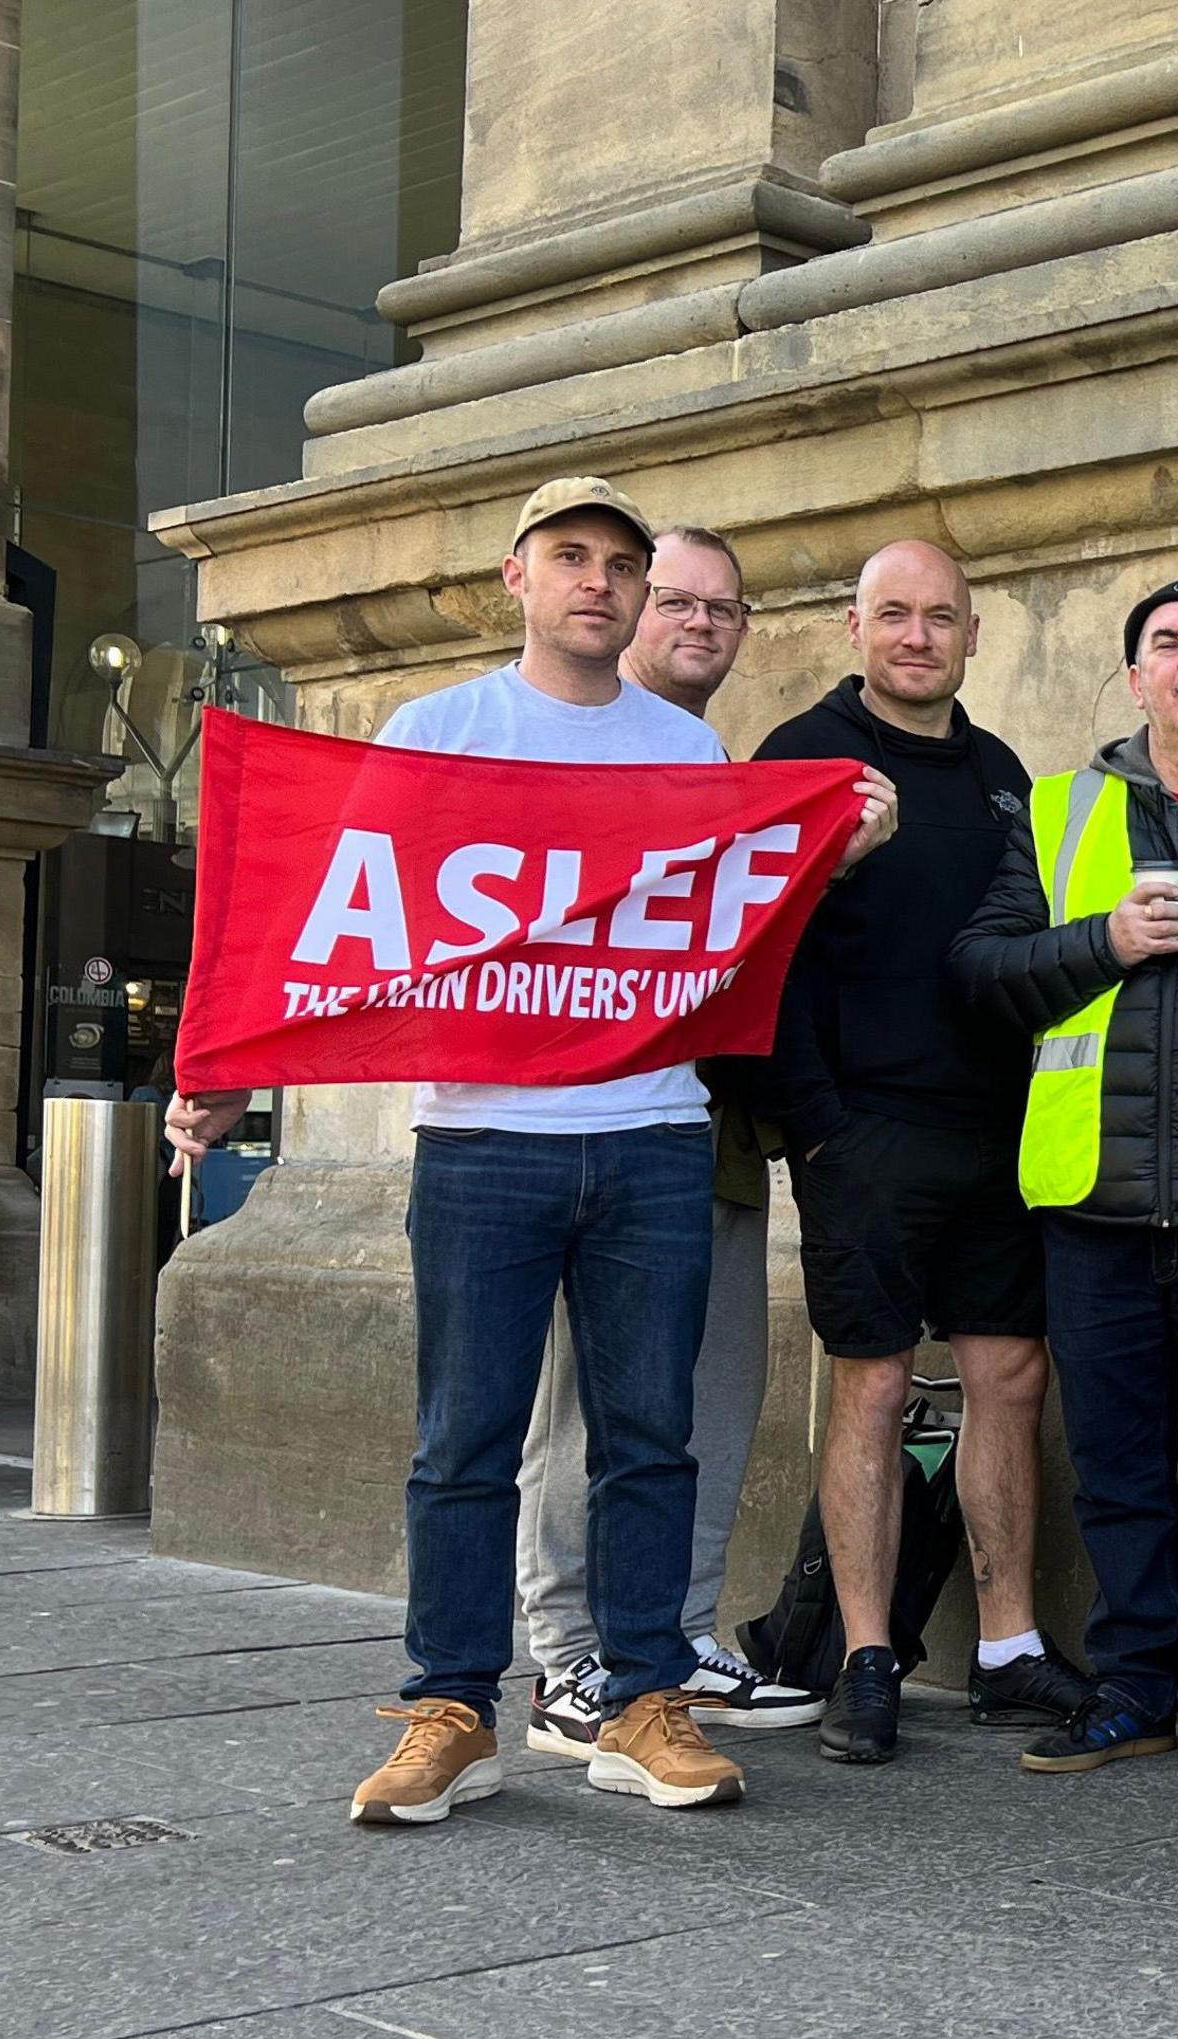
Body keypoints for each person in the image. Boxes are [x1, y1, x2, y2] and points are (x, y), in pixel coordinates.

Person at [169, 478, 884, 1825]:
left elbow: (738, 929)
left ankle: (639, 1699)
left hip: (654, 1135)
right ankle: (450, 1706)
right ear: (518, 578)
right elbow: (331, 920)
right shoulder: (440, 732)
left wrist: (830, 847)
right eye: (574, 558)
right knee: (462, 1440)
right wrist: (221, 1072)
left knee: (646, 1436)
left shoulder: (683, 754)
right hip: (483, 1141)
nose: (599, 582)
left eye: (622, 563)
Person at [951, 576, 1178, 1797]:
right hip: (1092, 1203)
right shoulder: (1057, 813)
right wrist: (1099, 942)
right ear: (1133, 678)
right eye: (1168, 644)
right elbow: (984, 972)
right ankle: (1133, 1687)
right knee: (1113, 1464)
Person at [752, 540, 1084, 1766]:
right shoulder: (799, 756)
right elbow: (748, 944)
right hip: (862, 1127)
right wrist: (812, 1119)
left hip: (995, 1127)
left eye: (940, 617)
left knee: (1009, 1376)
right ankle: (867, 1653)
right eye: (893, 614)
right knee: (878, 1385)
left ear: (972, 636)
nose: (916, 636)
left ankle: (1006, 1647)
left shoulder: (1001, 774)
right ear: (854, 625)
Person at [508, 527, 823, 1758]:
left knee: (712, 1392)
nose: (701, 623)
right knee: (579, 1408)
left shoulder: (708, 760)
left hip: (711, 1131)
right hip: (570, 1126)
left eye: (726, 610)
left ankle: (672, 1635)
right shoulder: (557, 748)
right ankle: (569, 1659)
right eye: (678, 598)